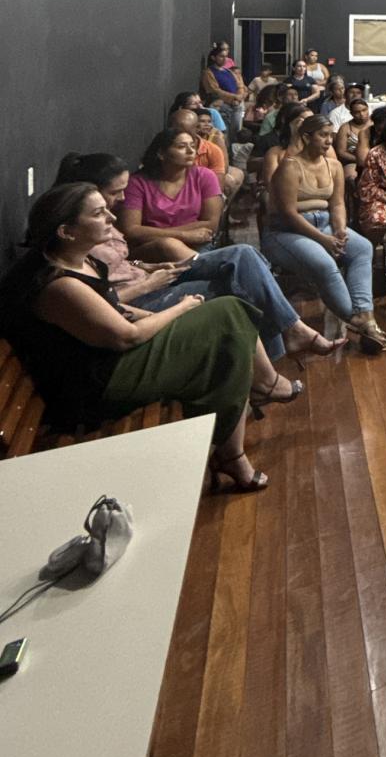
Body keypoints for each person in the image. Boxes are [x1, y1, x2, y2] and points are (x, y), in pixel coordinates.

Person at [0, 185, 270, 490]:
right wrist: (181, 308)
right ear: (66, 231)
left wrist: (163, 317)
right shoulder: (58, 286)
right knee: (229, 315)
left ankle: (233, 449)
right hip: (98, 385)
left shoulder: (81, 260)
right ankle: (235, 445)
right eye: (99, 213)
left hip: (113, 361)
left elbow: (114, 308)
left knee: (227, 336)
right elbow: (126, 337)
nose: (112, 217)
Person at [55, 152, 338, 369]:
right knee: (240, 288)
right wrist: (147, 283)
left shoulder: (99, 221)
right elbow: (104, 300)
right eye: (115, 192)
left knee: (243, 255)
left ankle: (287, 340)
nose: (120, 200)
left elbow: (119, 264)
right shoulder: (76, 237)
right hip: (142, 299)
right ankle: (271, 367)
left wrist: (147, 267)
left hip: (151, 276)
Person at [262, 116, 386, 352]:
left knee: (363, 248)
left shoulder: (334, 166)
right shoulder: (290, 166)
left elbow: (337, 204)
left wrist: (340, 230)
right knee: (324, 263)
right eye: (322, 135)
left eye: (331, 135)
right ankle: (358, 321)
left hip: (325, 223)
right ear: (306, 137)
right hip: (286, 231)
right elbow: (288, 213)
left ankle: (365, 315)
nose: (329, 140)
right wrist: (323, 240)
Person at [119, 128, 224, 260]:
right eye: (181, 147)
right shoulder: (137, 183)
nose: (190, 151)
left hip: (196, 243)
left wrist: (158, 232)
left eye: (193, 146)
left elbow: (210, 224)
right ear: (161, 153)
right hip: (151, 247)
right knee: (168, 245)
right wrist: (184, 235)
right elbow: (131, 230)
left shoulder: (204, 176)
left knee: (243, 251)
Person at [201, 43, 247, 134]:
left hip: (237, 104)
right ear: (213, 57)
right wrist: (233, 97)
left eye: (226, 56)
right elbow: (214, 90)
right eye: (221, 56)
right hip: (222, 105)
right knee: (225, 132)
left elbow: (240, 85)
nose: (224, 59)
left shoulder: (229, 71)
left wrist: (239, 97)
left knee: (237, 130)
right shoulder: (208, 72)